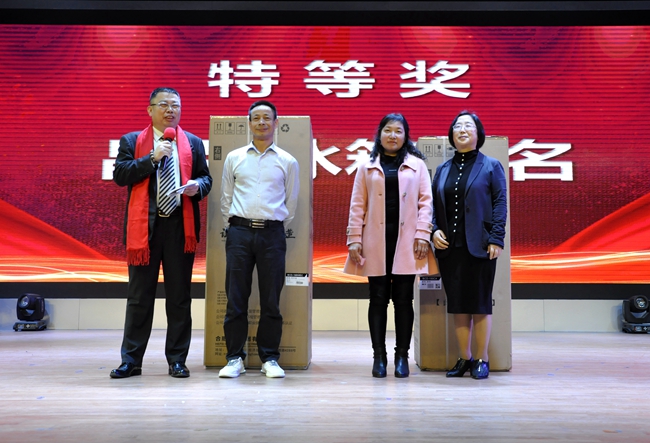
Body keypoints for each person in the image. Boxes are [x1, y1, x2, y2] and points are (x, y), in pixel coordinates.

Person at [110, 87, 212, 379]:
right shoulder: (132, 141)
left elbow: (205, 178)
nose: (170, 110)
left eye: (175, 105)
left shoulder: (193, 142)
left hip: (180, 228)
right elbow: (120, 175)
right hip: (145, 229)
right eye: (164, 105)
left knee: (179, 298)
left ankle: (177, 360)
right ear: (150, 109)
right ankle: (131, 360)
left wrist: (197, 187)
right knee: (139, 298)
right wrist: (152, 159)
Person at [343, 113, 437, 378]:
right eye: (388, 130)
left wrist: (423, 234)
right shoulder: (366, 166)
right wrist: (354, 239)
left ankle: (402, 356)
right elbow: (357, 205)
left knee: (404, 300)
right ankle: (379, 357)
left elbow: (426, 202)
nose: (392, 135)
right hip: (375, 242)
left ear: (406, 136)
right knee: (378, 299)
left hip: (407, 243)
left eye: (398, 131)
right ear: (379, 134)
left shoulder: (417, 165)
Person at [218, 100, 300, 379]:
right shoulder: (235, 157)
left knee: (271, 300)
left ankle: (270, 358)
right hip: (239, 233)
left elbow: (291, 202)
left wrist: (271, 225)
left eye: (267, 118)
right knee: (235, 299)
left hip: (272, 234)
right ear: (249, 123)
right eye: (256, 118)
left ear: (276, 123)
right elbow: (226, 198)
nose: (262, 122)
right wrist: (236, 225)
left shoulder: (287, 161)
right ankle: (234, 358)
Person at [431, 110, 507, 380]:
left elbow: (500, 203)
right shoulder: (442, 169)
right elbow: (432, 206)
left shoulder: (491, 166)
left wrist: (496, 238)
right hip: (450, 249)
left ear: (478, 134)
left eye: (468, 126)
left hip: (481, 246)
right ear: (451, 134)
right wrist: (434, 230)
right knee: (459, 305)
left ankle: (482, 359)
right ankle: (464, 358)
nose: (462, 130)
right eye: (457, 126)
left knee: (480, 304)